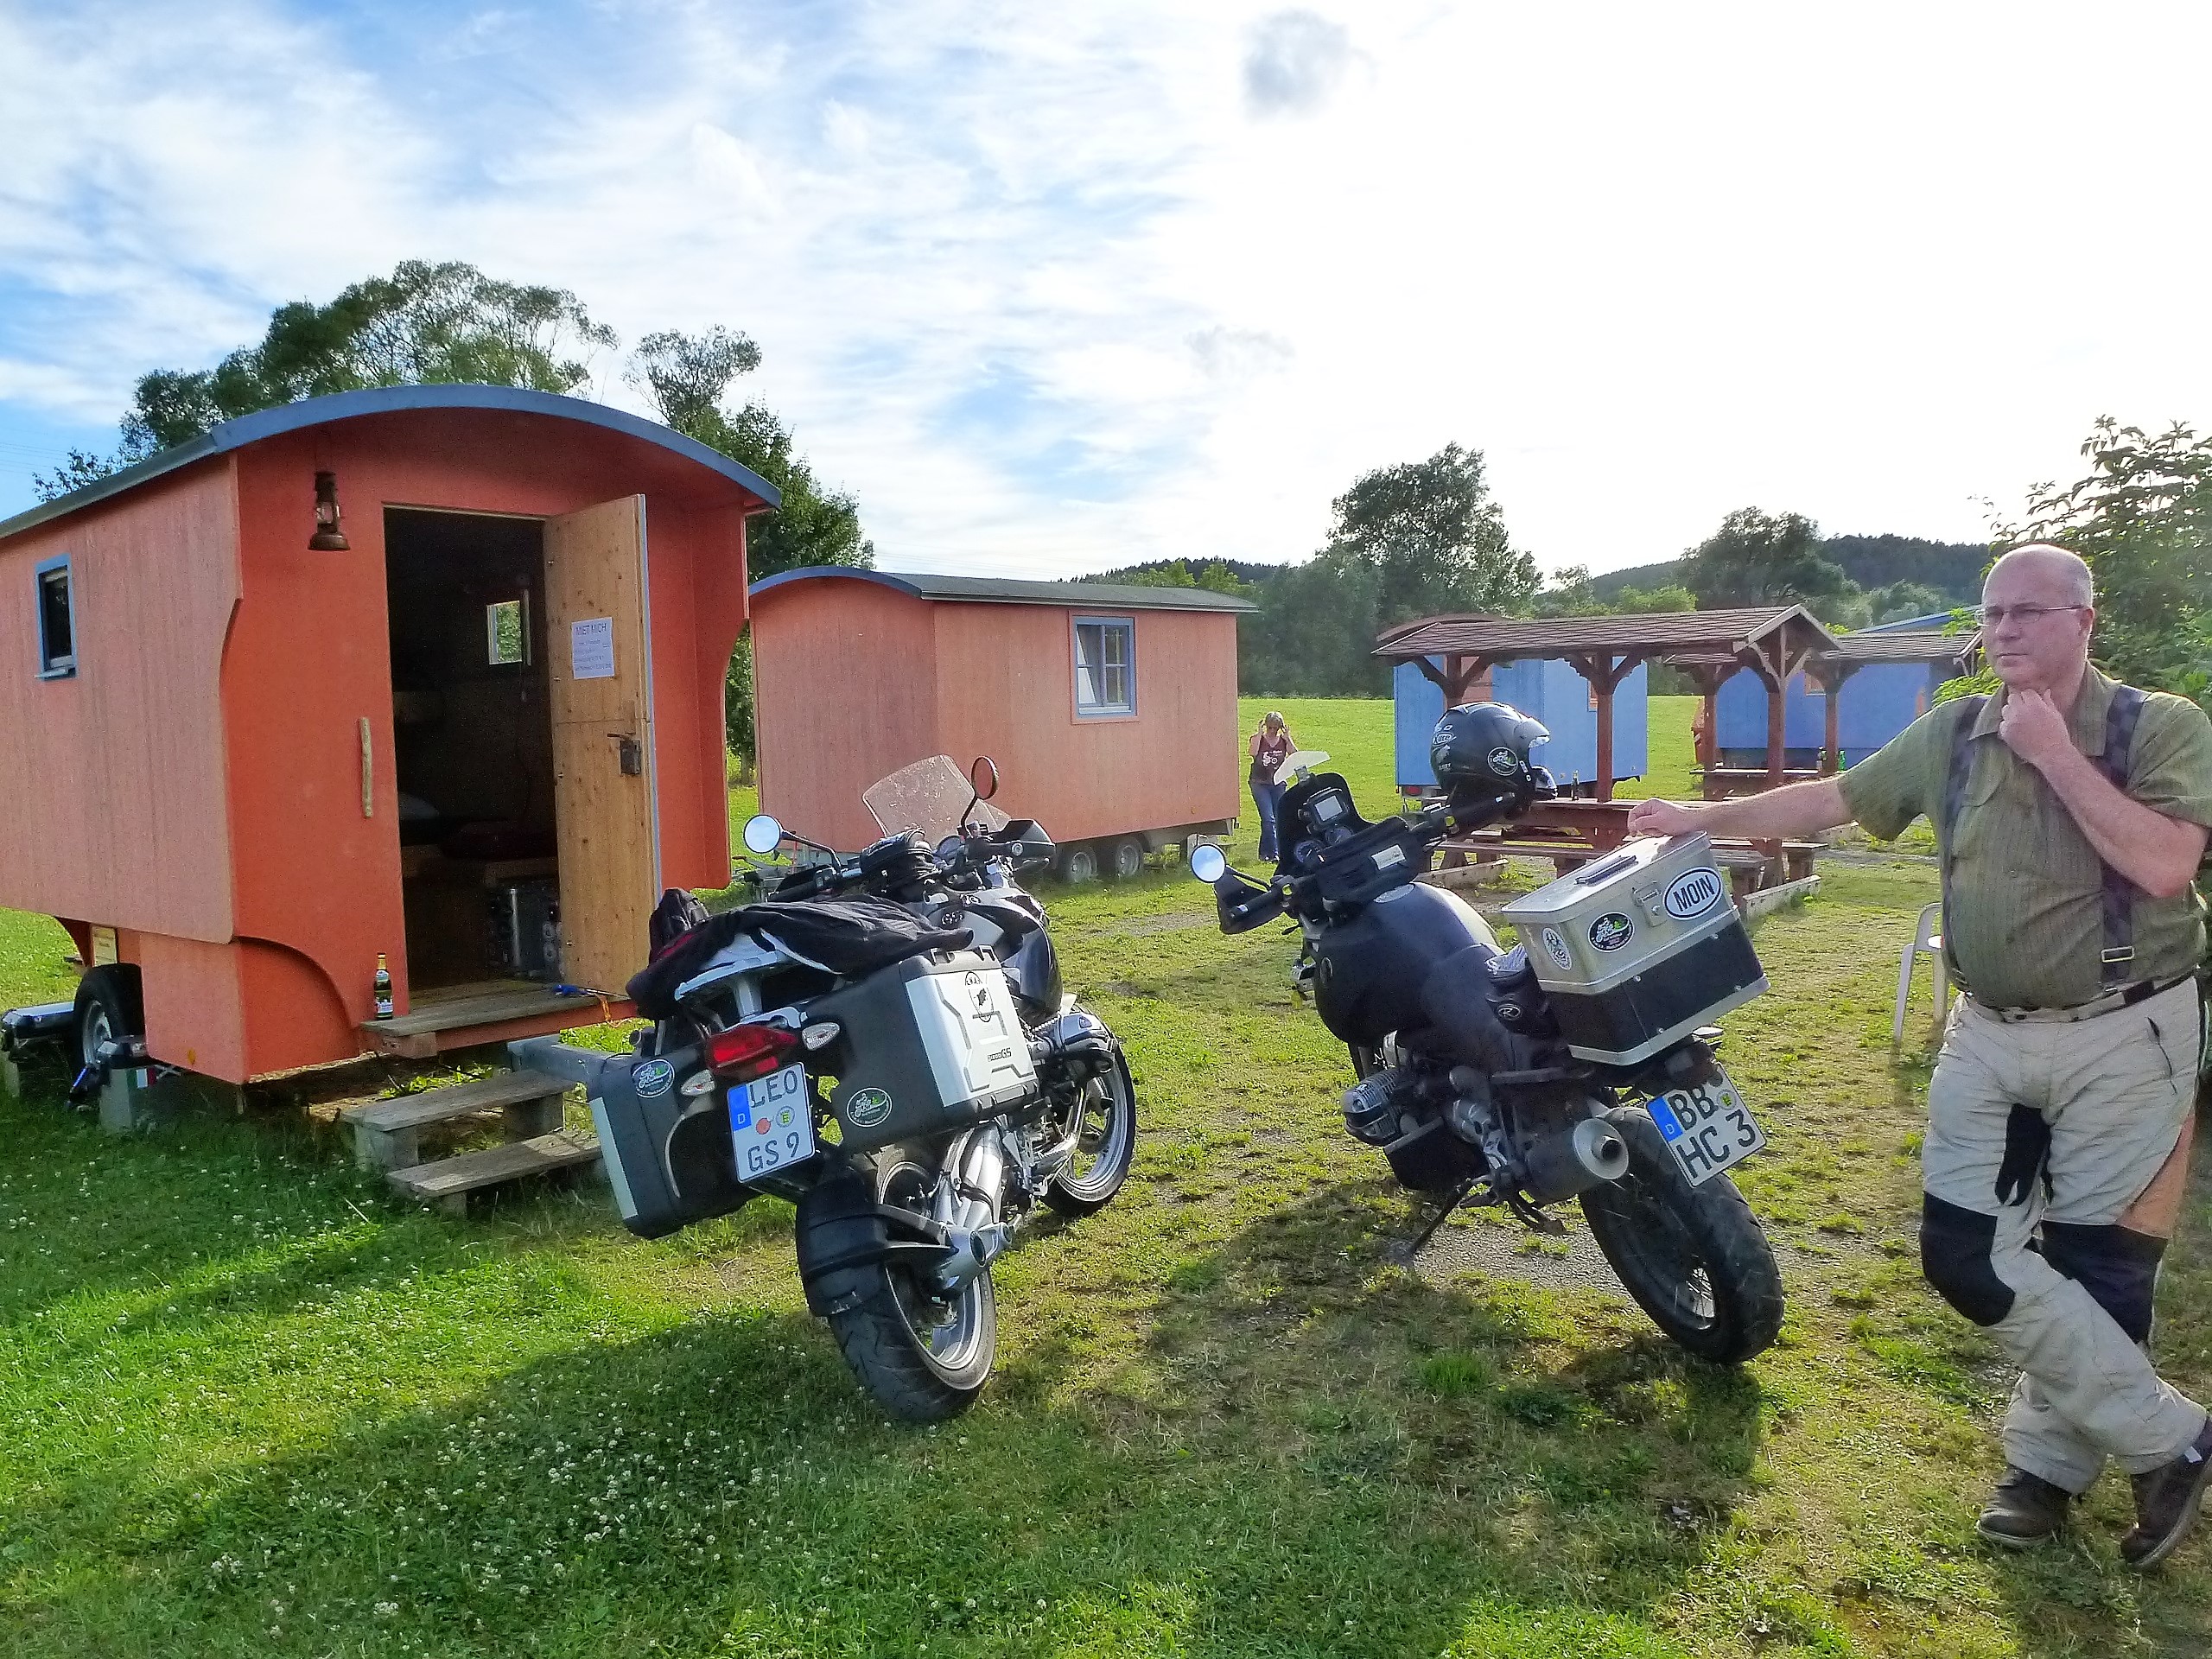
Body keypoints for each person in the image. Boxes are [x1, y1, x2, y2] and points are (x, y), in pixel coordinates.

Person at [1626, 544, 2212, 1568]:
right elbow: (1832, 800)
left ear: (2084, 621)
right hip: (1987, 1028)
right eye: (1991, 614)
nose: (2003, 630)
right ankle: (2173, 1440)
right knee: (1963, 1255)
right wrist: (1697, 819)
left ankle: (2043, 1473)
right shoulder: (1954, 732)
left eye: (2028, 612)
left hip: (2124, 1029)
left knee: (2097, 1263)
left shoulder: (2157, 725)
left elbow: (2165, 866)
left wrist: (2054, 754)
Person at [1248, 711, 1295, 862]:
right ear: (1266, 726)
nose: (1273, 731)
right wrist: (1259, 734)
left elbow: (1295, 755)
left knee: (1277, 818)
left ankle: (1264, 853)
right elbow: (1253, 753)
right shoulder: (1258, 739)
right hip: (1259, 783)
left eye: (1276, 728)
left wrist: (1288, 738)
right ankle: (1274, 854)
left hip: (1278, 783)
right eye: (1270, 728)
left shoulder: (1283, 741)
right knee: (1268, 819)